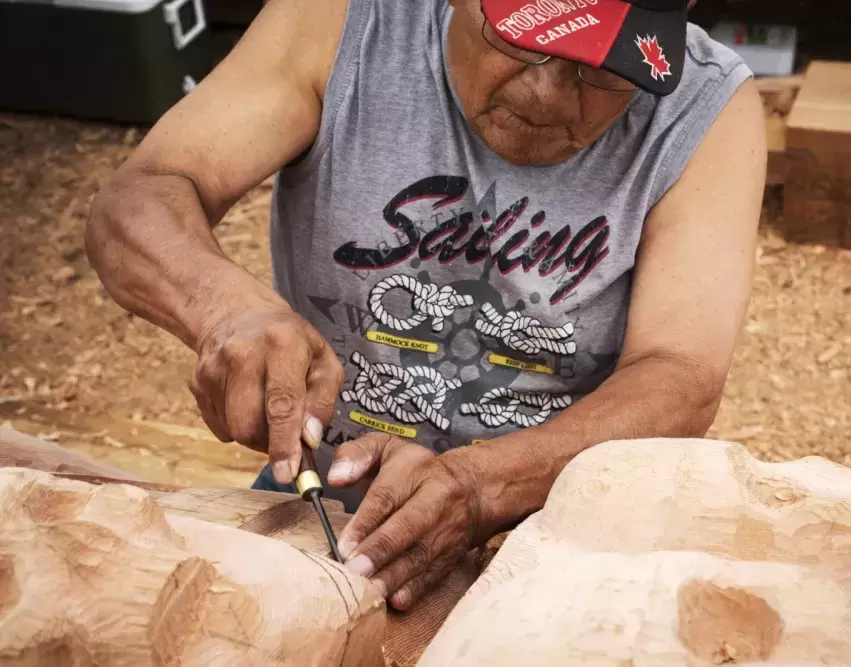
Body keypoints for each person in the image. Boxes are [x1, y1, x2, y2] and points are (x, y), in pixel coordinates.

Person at [86, 0, 766, 611]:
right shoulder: (343, 20)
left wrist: (480, 486)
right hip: (328, 497)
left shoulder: (704, 107)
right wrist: (227, 310)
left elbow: (680, 373)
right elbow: (142, 195)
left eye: (603, 72)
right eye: (523, 41)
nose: (550, 93)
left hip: (556, 529)